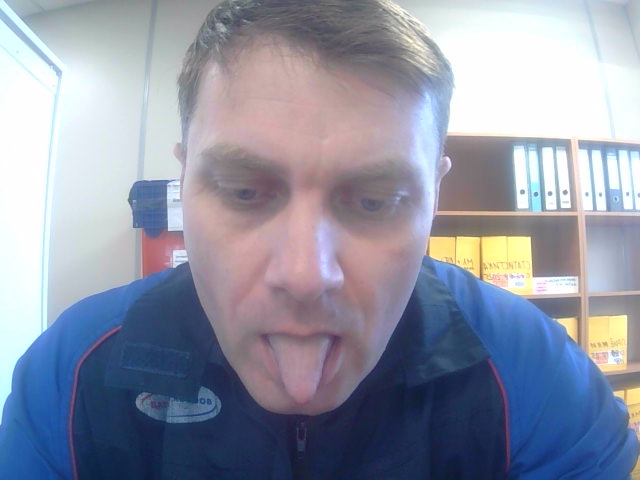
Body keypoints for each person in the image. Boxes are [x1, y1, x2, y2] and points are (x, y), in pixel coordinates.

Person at [0, 0, 637, 478]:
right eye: (244, 192)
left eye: (374, 201)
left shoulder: (532, 371)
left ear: (434, 197)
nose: (306, 275)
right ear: (184, 180)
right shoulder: (70, 375)